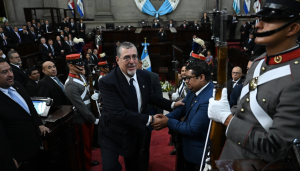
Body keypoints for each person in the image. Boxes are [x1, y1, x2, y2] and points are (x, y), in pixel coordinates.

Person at [208, 0, 300, 162]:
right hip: (231, 156)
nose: (258, 25)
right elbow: (244, 108)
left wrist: (227, 119)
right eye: (260, 19)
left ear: (292, 28)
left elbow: (277, 146)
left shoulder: (296, 77)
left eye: (269, 21)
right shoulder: (259, 61)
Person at [98, 42, 184, 171]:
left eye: (134, 57)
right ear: (117, 60)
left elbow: (151, 97)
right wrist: (151, 119)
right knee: (110, 168)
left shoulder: (144, 76)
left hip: (135, 130)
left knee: (135, 165)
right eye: (127, 57)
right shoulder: (107, 82)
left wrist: (172, 104)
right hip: (113, 133)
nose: (132, 61)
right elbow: (119, 113)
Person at [152, 60, 214, 171]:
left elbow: (193, 128)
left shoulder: (209, 98)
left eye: (188, 78)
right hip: (185, 147)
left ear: (201, 77)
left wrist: (168, 122)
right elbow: (183, 108)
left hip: (197, 155)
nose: (186, 81)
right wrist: (167, 117)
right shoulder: (194, 88)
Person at [0, 57, 49, 171]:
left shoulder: (17, 85)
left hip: (36, 144)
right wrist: (9, 159)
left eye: (10, 70)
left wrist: (39, 124)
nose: (10, 74)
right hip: (19, 154)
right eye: (4, 72)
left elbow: (30, 108)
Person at [64, 54, 99, 171]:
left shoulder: (81, 77)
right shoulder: (70, 84)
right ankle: (84, 166)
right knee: (83, 145)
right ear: (71, 66)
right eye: (78, 65)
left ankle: (88, 160)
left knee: (89, 143)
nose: (82, 66)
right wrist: (93, 118)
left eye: (82, 64)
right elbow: (80, 106)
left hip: (88, 116)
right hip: (81, 119)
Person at [136, 56, 163, 171]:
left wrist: (160, 116)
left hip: (147, 117)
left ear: (141, 63)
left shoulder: (152, 76)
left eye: (135, 62)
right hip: (130, 118)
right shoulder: (124, 77)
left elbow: (158, 97)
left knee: (143, 146)